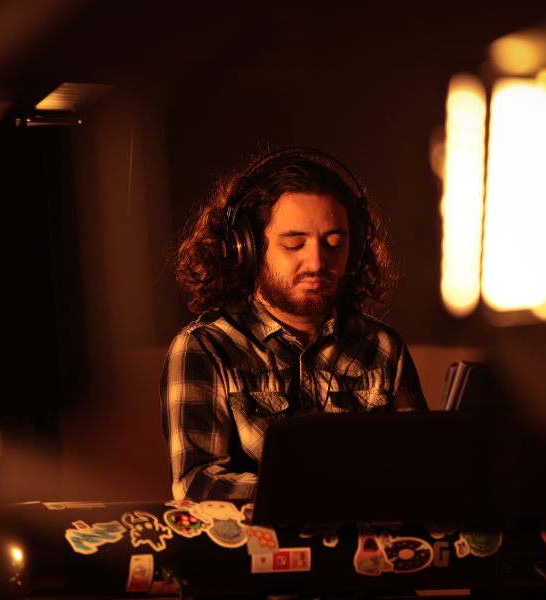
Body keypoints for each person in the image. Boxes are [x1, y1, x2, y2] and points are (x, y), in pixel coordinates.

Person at [161, 148, 428, 501]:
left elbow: (421, 470)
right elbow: (197, 483)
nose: (317, 261)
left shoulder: (383, 349)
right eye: (294, 244)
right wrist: (318, 494)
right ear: (246, 248)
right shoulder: (205, 348)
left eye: (334, 243)